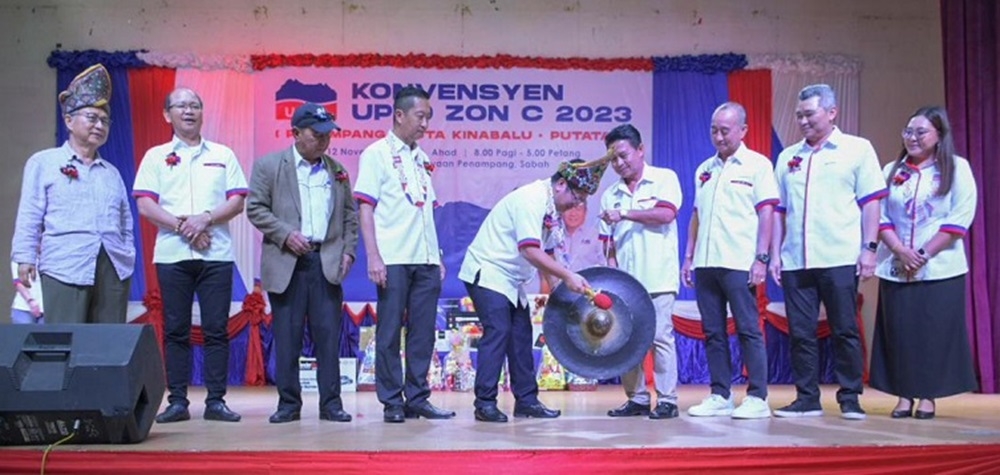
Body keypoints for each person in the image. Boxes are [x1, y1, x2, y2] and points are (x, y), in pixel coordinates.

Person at [769, 84, 887, 420]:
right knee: (801, 333)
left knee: (844, 329)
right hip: (796, 260)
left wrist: (869, 249)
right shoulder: (788, 156)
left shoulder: (857, 150)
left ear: (832, 112)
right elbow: (780, 209)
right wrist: (775, 253)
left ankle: (850, 397)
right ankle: (806, 398)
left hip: (839, 257)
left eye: (810, 114)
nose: (803, 121)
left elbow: (871, 204)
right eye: (799, 115)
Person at [459, 159, 605, 422]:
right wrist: (567, 275)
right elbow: (529, 250)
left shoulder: (552, 207)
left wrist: (560, 284)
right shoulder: (531, 198)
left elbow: (547, 252)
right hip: (489, 271)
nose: (578, 205)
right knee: (499, 331)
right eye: (577, 196)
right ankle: (485, 403)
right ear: (561, 184)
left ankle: (526, 401)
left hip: (511, 280)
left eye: (583, 200)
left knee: (521, 336)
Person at [134, 88, 247, 424]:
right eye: (181, 105)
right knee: (176, 330)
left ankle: (216, 401)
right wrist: (184, 226)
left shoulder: (223, 154)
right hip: (172, 255)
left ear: (202, 112)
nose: (189, 111)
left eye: (195, 105)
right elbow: (145, 204)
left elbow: (238, 199)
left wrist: (205, 219)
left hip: (216, 255)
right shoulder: (156, 156)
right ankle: (178, 401)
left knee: (216, 329)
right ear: (167, 114)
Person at [248, 102, 358, 424]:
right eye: (317, 134)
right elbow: (255, 208)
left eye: (328, 134)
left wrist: (349, 251)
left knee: (328, 338)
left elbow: (350, 216)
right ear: (295, 133)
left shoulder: (337, 170)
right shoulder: (269, 166)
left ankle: (331, 404)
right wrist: (284, 234)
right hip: (288, 263)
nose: (324, 140)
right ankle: (288, 404)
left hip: (325, 262)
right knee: (287, 338)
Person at [353, 86, 454, 423]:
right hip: (393, 258)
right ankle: (392, 400)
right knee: (389, 331)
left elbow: (426, 212)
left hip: (424, 258)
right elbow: (365, 208)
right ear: (399, 115)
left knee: (423, 332)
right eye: (420, 116)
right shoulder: (376, 154)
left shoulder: (422, 158)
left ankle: (418, 397)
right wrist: (373, 257)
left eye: (428, 117)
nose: (425, 124)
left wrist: (436, 255)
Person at [870, 106, 978, 420]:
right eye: (908, 131)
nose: (912, 138)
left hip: (941, 268)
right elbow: (880, 215)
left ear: (939, 135)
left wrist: (922, 254)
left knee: (932, 334)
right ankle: (904, 395)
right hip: (897, 266)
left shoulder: (957, 168)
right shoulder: (892, 169)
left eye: (921, 132)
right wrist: (900, 250)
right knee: (900, 333)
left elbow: (959, 219)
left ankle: (928, 396)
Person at [11, 63, 134, 324]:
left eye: (104, 120)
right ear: (69, 120)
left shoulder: (111, 172)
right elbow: (30, 213)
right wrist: (24, 257)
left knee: (107, 347)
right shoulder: (43, 162)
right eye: (92, 118)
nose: (99, 125)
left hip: (112, 265)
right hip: (64, 264)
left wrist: (128, 256)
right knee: (65, 343)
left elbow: (126, 222)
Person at [682, 103, 778, 419]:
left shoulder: (757, 165)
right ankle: (720, 394)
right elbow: (696, 214)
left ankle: (757, 397)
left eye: (725, 130)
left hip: (739, 261)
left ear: (742, 130)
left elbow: (767, 213)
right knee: (713, 331)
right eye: (714, 130)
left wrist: (761, 258)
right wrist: (689, 256)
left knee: (749, 329)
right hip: (706, 263)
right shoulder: (704, 169)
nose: (719, 136)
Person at [598, 124, 683, 420]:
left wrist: (625, 214)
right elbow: (606, 244)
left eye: (623, 156)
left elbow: (666, 214)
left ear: (640, 150)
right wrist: (612, 278)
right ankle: (636, 398)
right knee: (628, 341)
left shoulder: (663, 179)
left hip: (659, 277)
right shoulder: (610, 194)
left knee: (660, 337)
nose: (619, 164)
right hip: (626, 284)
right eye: (613, 160)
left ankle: (668, 399)